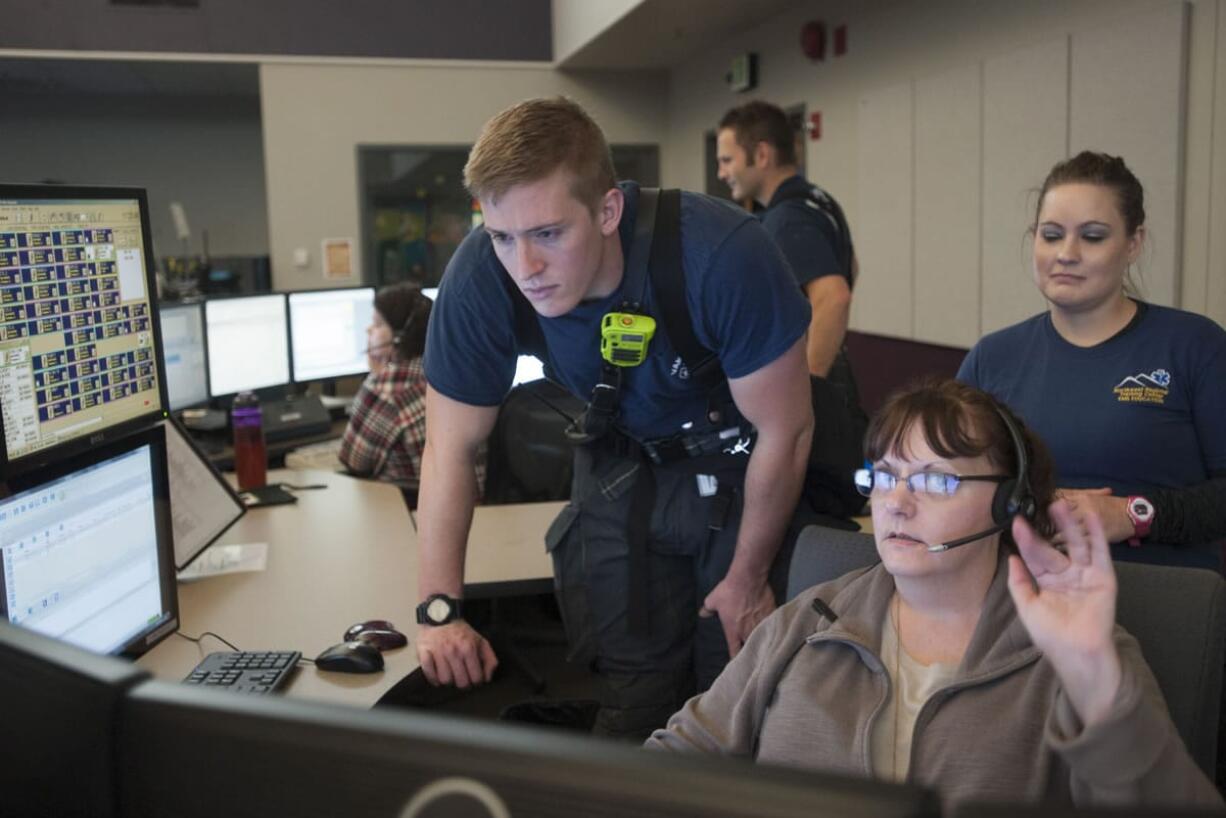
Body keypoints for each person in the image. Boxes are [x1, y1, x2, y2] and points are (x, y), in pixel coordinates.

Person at [416, 96, 813, 740]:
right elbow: (449, 450)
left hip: (742, 465)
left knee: (735, 691)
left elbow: (786, 431)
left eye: (548, 234)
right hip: (625, 460)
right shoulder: (481, 279)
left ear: (607, 210)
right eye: (502, 237)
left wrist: (748, 576)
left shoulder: (722, 255)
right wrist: (439, 611)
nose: (526, 269)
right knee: (634, 691)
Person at [646, 378, 1220, 807]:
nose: (897, 501)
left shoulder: (1080, 651)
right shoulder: (808, 622)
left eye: (935, 480)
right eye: (886, 476)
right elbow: (676, 762)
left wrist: (1095, 682)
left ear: (1009, 503)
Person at [958, 151, 1226, 570]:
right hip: (1024, 598)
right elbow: (958, 485)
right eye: (1051, 235)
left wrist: (1132, 514)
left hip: (1166, 602)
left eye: (1093, 236)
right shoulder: (992, 358)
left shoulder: (1194, 345)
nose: (1067, 253)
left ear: (1133, 244)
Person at [716, 99, 867, 519]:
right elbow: (851, 267)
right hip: (836, 378)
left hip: (810, 387)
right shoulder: (821, 201)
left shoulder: (787, 217)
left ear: (761, 154)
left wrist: (807, 388)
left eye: (728, 159)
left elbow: (834, 296)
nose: (721, 172)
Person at [338, 283, 484, 497]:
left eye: (377, 324)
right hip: (479, 512)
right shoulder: (459, 370)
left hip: (412, 516)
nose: (368, 330)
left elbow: (354, 462)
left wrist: (377, 372)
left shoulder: (386, 388)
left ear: (399, 337)